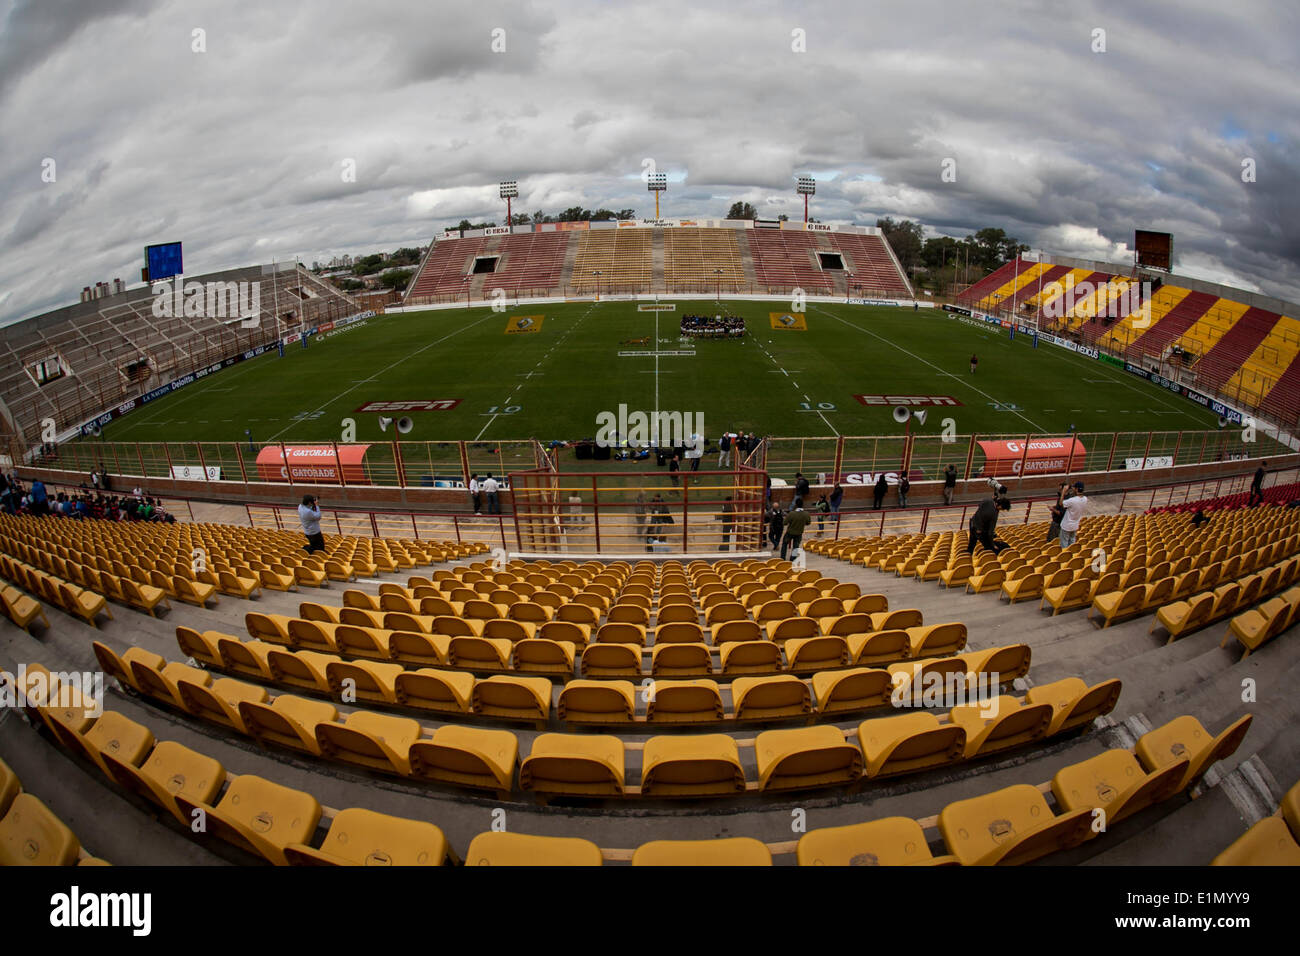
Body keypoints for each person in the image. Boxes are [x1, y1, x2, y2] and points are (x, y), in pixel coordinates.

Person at [1059, 482, 1088, 548]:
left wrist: (1063, 492)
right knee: (1072, 541)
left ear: (1077, 489)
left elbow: (1061, 503)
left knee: (1064, 543)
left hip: (1066, 525)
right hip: (1075, 525)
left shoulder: (1072, 500)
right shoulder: (1085, 499)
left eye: (1074, 488)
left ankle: (1065, 556)